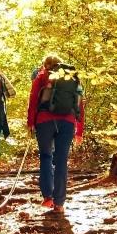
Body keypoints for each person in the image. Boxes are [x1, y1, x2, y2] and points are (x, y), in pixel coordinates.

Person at [27, 55, 84, 214]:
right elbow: (80, 103)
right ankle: (59, 203)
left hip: (44, 121)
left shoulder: (42, 76)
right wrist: (79, 130)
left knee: (46, 156)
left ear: (45, 65)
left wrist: (30, 122)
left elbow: (33, 100)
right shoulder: (71, 77)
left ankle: (48, 198)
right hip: (67, 121)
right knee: (61, 161)